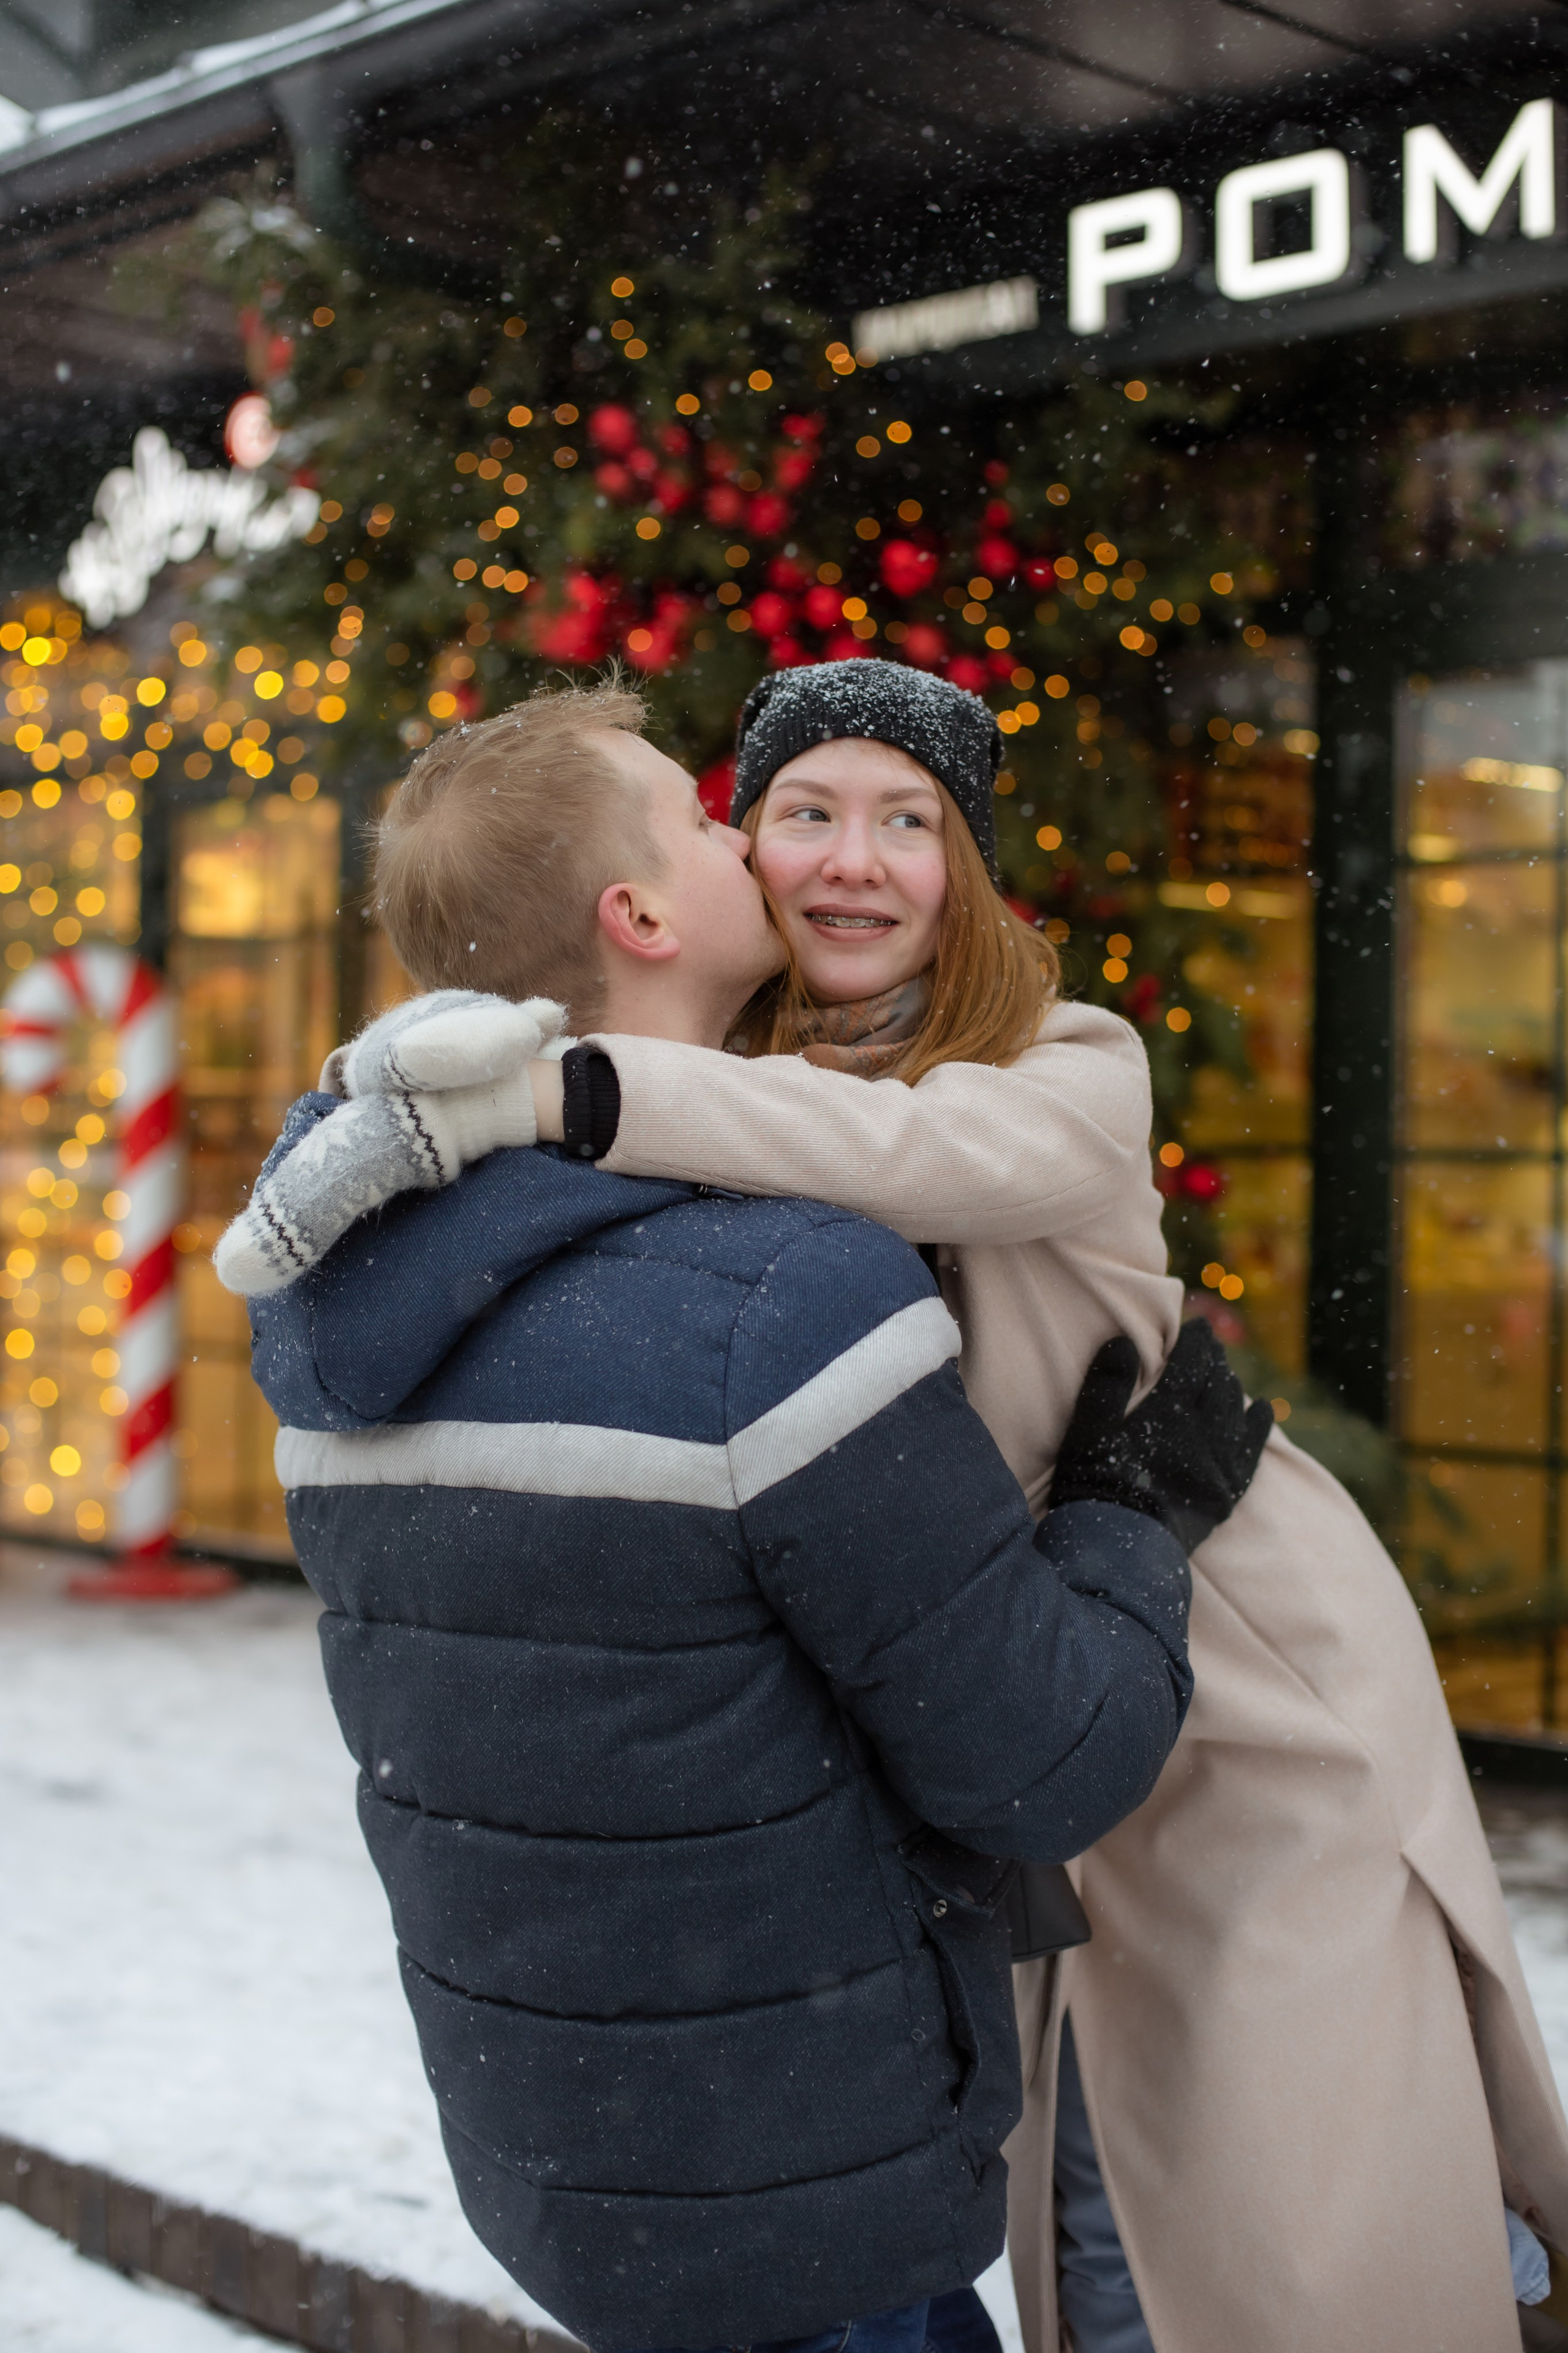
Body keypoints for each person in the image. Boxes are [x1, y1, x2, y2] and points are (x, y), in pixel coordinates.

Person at [238, 659, 1568, 2352]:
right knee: (1103, 2216)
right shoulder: (730, 1104)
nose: (851, 856)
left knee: (1282, 2213)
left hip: (1230, 1669)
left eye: (911, 822)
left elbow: (908, 1156)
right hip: (1024, 1675)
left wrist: (532, 1091)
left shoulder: (1064, 1066)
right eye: (788, 813)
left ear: (972, 873)